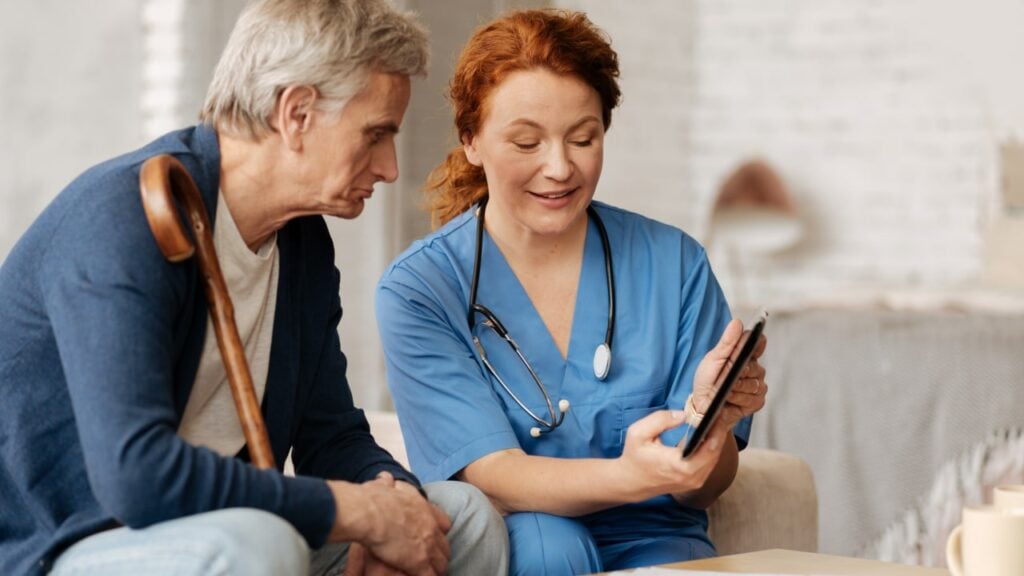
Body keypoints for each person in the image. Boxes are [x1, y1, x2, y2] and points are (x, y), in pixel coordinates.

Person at [0, 1, 508, 575]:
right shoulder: (124, 219)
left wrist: (397, 512)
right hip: (69, 544)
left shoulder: (303, 245)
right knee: (256, 544)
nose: (390, 168)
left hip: (224, 532)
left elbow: (333, 437)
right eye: (375, 135)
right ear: (297, 113)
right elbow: (136, 477)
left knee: (458, 517)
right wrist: (357, 513)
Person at [375, 9, 767, 575]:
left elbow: (701, 488)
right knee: (548, 548)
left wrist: (713, 425)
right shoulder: (421, 288)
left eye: (583, 138)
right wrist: (630, 476)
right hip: (522, 534)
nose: (559, 167)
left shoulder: (674, 264)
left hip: (654, 535)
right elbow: (490, 476)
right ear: (471, 141)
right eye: (526, 142)